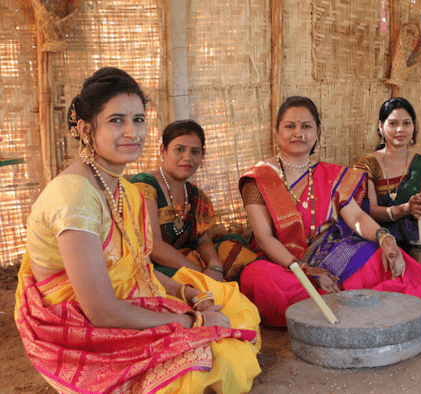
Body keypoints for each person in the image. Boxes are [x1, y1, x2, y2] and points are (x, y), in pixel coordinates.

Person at [14, 67, 261, 394]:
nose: (133, 131)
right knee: (221, 361)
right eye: (117, 120)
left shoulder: (123, 190)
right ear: (87, 129)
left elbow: (137, 267)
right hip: (79, 322)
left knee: (229, 302)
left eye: (139, 120)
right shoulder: (74, 197)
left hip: (120, 299)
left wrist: (189, 295)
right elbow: (101, 311)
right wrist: (192, 321)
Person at [238, 96, 421, 327]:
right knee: (258, 278)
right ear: (277, 131)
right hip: (282, 264)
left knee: (379, 256)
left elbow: (356, 217)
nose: (298, 133)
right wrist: (306, 269)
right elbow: (264, 239)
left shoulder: (330, 175)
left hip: (330, 256)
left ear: (317, 131)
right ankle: (351, 302)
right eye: (290, 126)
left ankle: (328, 306)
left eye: (306, 126)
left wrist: (384, 238)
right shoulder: (259, 178)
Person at [131, 120, 257, 282]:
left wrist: (214, 265)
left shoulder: (195, 194)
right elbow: (153, 246)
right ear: (163, 150)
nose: (187, 157)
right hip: (155, 266)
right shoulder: (145, 184)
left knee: (233, 244)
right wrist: (202, 274)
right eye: (180, 149)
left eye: (195, 152)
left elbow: (203, 239)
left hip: (188, 260)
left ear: (202, 155)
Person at [353, 97, 421, 255]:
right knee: (371, 245)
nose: (400, 129)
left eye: (406, 123)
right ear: (381, 127)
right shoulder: (366, 164)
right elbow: (368, 211)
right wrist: (402, 209)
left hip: (412, 231)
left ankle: (416, 261)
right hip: (378, 230)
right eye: (393, 123)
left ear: (414, 127)